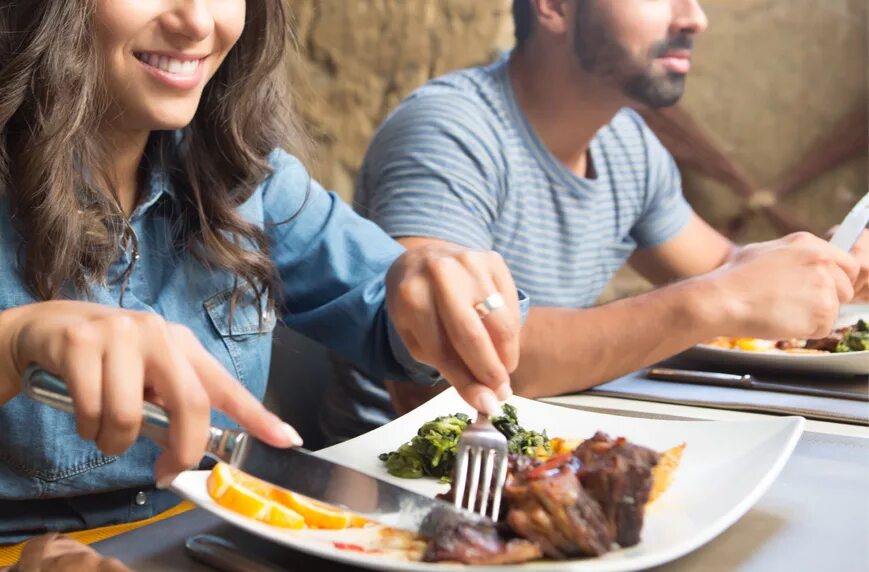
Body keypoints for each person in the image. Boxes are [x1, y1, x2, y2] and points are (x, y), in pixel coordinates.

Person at [0, 0, 526, 565]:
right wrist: (12, 347)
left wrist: (434, 288)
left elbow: (391, 305)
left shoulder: (245, 177)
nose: (198, 23)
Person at [321, 0, 869, 441]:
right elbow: (447, 366)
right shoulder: (449, 131)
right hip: (396, 480)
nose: (695, 16)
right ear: (554, 7)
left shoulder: (626, 143)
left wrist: (828, 260)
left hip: (541, 449)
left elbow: (726, 266)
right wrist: (712, 300)